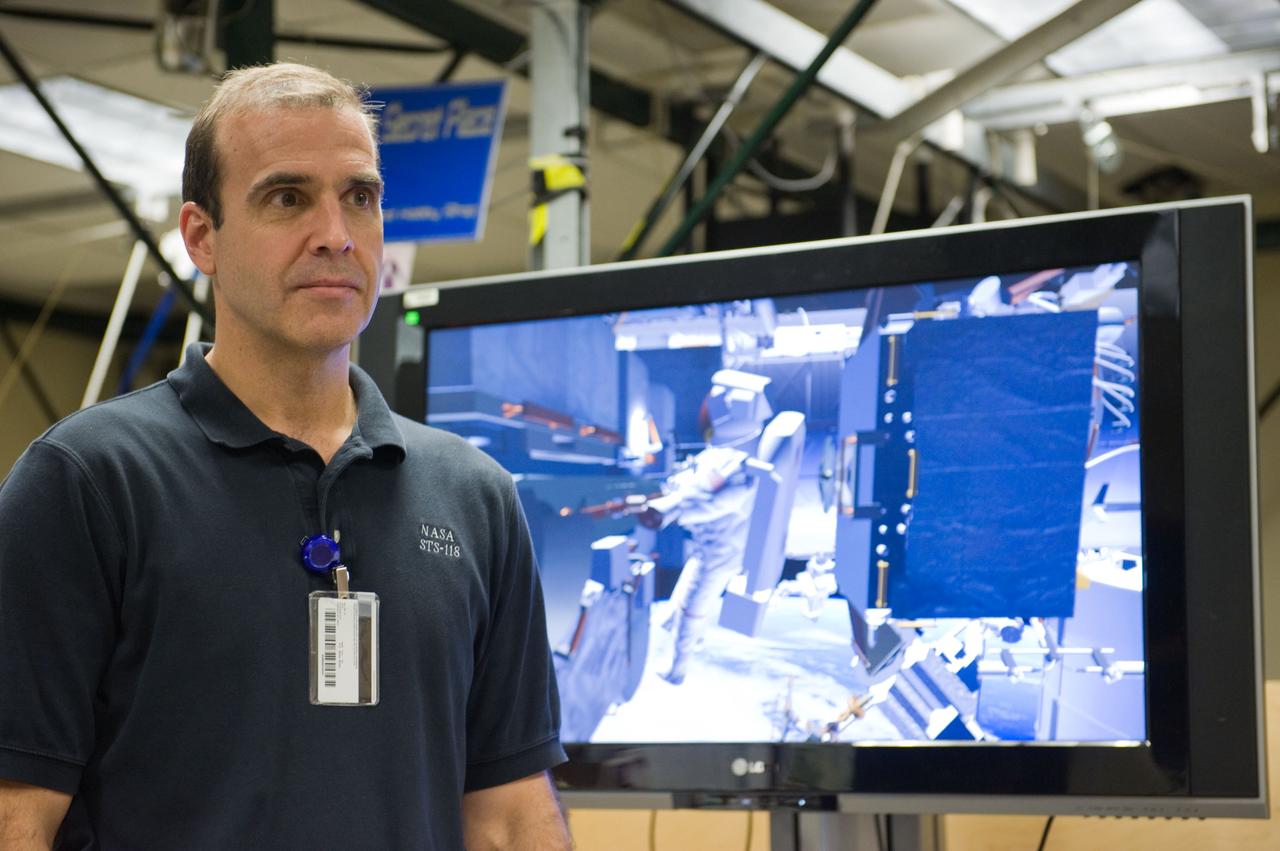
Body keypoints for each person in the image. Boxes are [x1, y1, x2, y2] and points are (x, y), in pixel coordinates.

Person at [0, 63, 570, 850]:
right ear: (202, 235)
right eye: (287, 197)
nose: (335, 233)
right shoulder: (88, 482)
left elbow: (508, 814)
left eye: (360, 197)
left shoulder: (474, 496)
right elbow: (17, 812)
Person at [640, 370, 774, 684]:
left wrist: (663, 509)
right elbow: (694, 484)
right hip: (712, 548)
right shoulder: (730, 458)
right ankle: (674, 631)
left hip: (719, 551)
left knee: (691, 606)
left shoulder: (731, 463)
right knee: (683, 599)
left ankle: (677, 668)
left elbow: (704, 500)